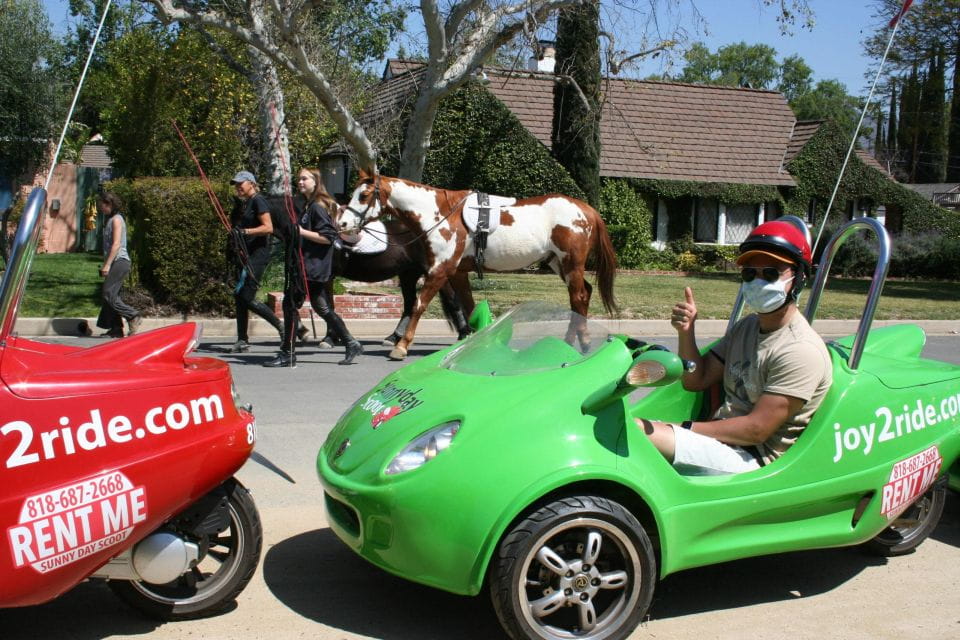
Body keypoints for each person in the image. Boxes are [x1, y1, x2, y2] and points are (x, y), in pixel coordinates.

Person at [638, 220, 832, 474]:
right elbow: (697, 379)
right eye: (750, 273)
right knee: (624, 426)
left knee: (638, 432)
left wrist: (684, 428)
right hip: (721, 440)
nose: (758, 281)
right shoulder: (747, 327)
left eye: (771, 273)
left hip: (752, 459)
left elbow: (755, 430)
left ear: (798, 278)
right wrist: (687, 332)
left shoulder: (800, 350)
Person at [264, 168, 362, 367]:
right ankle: (351, 343)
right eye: (298, 179)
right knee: (321, 307)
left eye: (304, 179)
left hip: (312, 266)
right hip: (306, 265)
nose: (300, 182)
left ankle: (287, 353)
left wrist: (300, 231)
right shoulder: (309, 206)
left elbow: (327, 238)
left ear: (316, 182)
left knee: (290, 305)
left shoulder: (317, 207)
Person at [229, 170, 283, 353]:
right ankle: (242, 339)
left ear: (251, 183)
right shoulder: (247, 203)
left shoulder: (258, 201)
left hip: (258, 255)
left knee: (246, 296)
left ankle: (282, 327)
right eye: (236, 184)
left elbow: (268, 227)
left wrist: (245, 232)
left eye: (240, 184)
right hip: (247, 255)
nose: (238, 187)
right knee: (239, 297)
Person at [95, 192, 141, 338]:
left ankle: (133, 316)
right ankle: (116, 328)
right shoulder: (110, 220)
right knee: (112, 295)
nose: (100, 208)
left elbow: (116, 244)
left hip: (120, 261)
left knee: (108, 293)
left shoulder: (117, 220)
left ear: (109, 204)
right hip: (115, 261)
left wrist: (107, 265)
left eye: (102, 205)